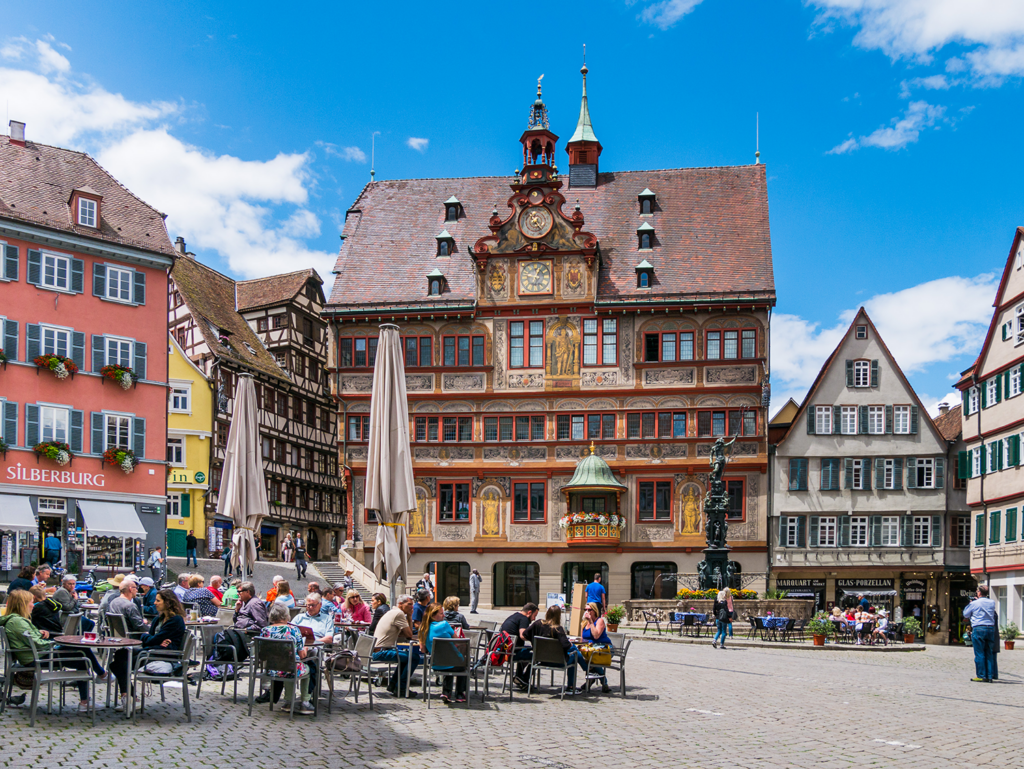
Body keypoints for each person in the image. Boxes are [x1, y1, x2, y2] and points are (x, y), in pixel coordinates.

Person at [0, 590, 94, 712]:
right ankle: (95, 686)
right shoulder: (18, 621)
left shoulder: (15, 620)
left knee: (81, 652)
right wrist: (55, 644)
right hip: (38, 658)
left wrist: (38, 632)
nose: (33, 605)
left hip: (36, 656)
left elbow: (30, 639)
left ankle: (87, 698)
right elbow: (37, 643)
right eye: (31, 602)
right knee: (81, 654)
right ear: (23, 604)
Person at [255, 602, 313, 714]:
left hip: (271, 671)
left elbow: (262, 655)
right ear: (286, 615)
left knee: (290, 665)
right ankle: (305, 702)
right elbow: (301, 656)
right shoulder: (293, 630)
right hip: (290, 669)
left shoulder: (265, 631)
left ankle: (288, 702)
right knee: (306, 668)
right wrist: (305, 649)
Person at [524, 605, 585, 694]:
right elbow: (566, 645)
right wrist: (570, 644)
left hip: (540, 659)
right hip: (558, 661)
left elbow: (525, 634)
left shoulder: (537, 623)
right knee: (574, 653)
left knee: (574, 650)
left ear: (547, 613)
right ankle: (571, 686)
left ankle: (587, 670)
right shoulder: (558, 629)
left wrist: (535, 642)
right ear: (559, 616)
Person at [372, 594, 420, 698]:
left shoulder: (392, 612)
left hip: (377, 649)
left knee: (406, 657)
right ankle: (401, 688)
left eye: (413, 605)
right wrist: (410, 616)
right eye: (409, 604)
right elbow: (409, 634)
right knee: (414, 657)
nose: (412, 607)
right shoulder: (399, 613)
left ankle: (394, 685)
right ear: (400, 604)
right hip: (381, 652)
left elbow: (403, 634)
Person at [419, 602, 468, 703]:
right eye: (441, 613)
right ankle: (459, 693)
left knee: (448, 662)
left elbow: (423, 650)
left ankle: (446, 692)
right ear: (433, 615)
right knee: (462, 664)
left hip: (435, 664)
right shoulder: (444, 625)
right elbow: (457, 641)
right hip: (454, 664)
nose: (444, 615)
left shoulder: (423, 629)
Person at [501, 603, 539, 688]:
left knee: (527, 650)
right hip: (513, 652)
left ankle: (519, 676)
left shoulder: (514, 616)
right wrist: (534, 639)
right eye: (534, 615)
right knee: (537, 656)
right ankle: (524, 679)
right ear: (529, 612)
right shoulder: (524, 619)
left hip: (505, 651)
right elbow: (522, 635)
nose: (534, 619)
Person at [964, 585, 998, 683]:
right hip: (990, 628)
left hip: (979, 628)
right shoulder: (992, 602)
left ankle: (981, 675)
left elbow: (966, 614)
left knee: (979, 653)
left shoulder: (975, 603)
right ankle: (990, 675)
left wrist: (971, 603)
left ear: (979, 592)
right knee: (989, 652)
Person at [580, 602, 612, 693]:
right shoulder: (583, 623)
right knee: (579, 655)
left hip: (604, 648)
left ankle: (600, 681)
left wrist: (591, 621)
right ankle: (592, 678)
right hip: (591, 649)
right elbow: (582, 639)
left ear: (594, 611)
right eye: (585, 610)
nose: (587, 611)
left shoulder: (599, 621)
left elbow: (596, 636)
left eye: (589, 610)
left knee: (593, 658)